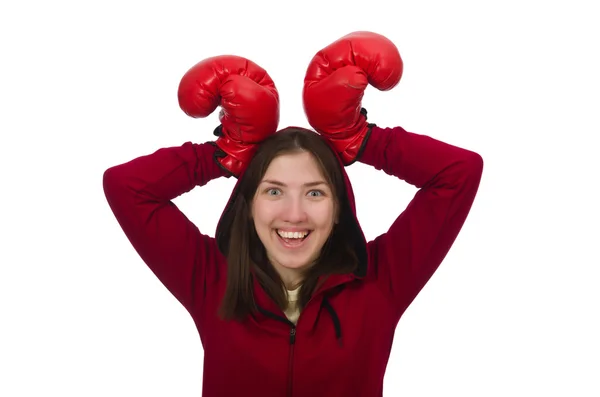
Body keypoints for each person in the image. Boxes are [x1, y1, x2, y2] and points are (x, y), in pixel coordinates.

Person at [103, 31, 483, 397]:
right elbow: (126, 186)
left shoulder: (381, 280)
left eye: (315, 193)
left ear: (339, 207)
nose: (294, 214)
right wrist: (224, 153)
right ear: (248, 203)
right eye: (274, 191)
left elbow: (458, 173)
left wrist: (361, 139)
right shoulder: (210, 277)